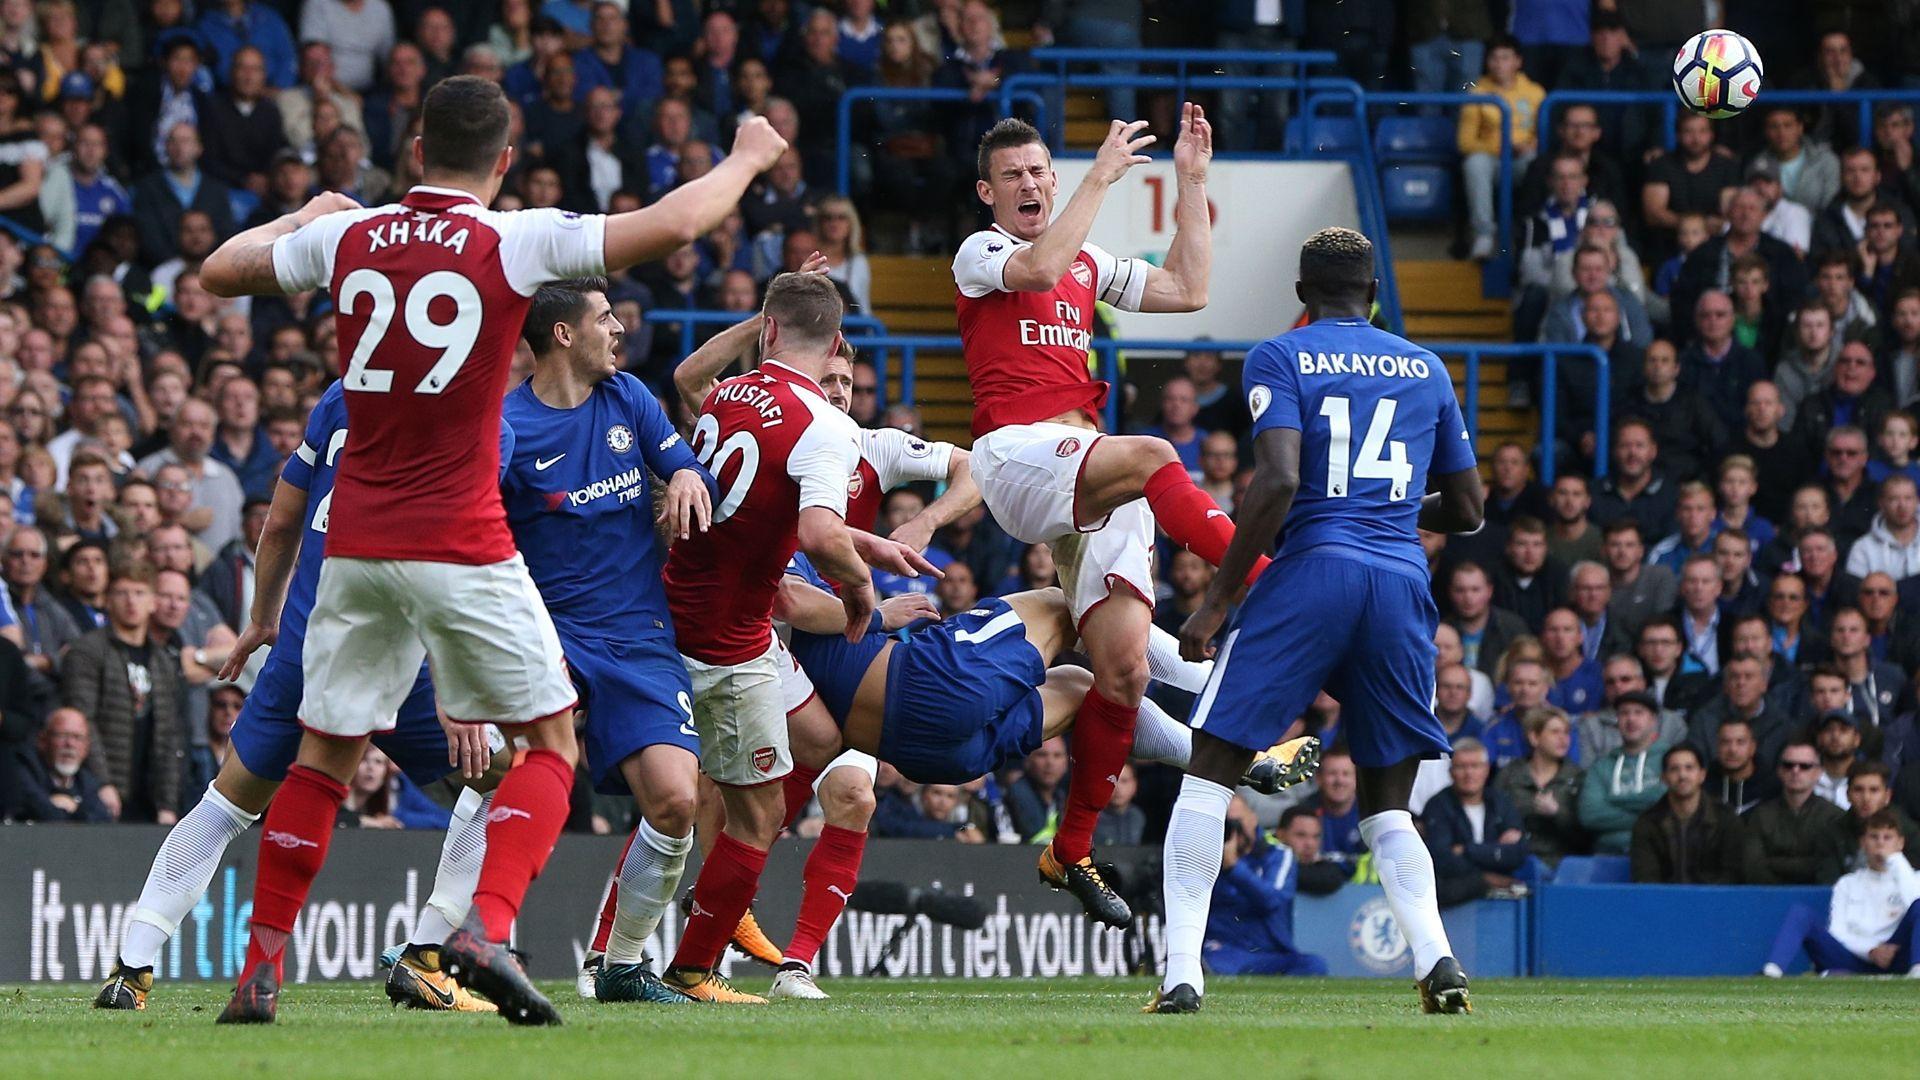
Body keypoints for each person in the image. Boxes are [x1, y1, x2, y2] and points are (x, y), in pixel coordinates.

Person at [195, 76, 790, 1025]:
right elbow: (677, 223)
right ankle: (483, 928)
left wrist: (300, 214)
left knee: (323, 758)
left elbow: (221, 271)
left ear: (416, 150)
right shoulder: (513, 240)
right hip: (463, 538)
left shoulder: (351, 238)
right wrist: (752, 156)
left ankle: (260, 968)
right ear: (504, 162)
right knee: (549, 744)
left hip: (354, 545)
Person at [92, 380, 507, 1016]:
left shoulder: (343, 396)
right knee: (503, 776)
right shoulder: (478, 419)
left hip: (306, 648)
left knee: (224, 808)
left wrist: (262, 618)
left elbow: (282, 521)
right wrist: (461, 682)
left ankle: (134, 967)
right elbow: (455, 560)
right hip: (406, 657)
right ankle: (426, 958)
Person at [1159, 226, 1485, 1015]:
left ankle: (1181, 976)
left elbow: (1275, 482)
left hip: (1314, 574)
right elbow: (1470, 509)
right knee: (1388, 805)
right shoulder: (1427, 366)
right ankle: (1437, 959)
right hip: (1401, 581)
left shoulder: (1281, 354)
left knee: (1208, 777)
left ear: (1303, 294)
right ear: (1375, 294)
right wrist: (1395, 507)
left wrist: (1216, 600)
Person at [952, 111, 1249, 931]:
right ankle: (1266, 577)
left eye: (1040, 171)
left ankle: (1070, 846)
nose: (1030, 185)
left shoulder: (1089, 259)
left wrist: (1191, 179)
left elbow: (1189, 289)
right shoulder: (982, 254)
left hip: (1086, 472)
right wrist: (1100, 176)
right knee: (1154, 452)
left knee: (1120, 673)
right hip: (1017, 456)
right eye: (1013, 176)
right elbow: (1042, 265)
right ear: (989, 193)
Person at [494, 279, 715, 1006]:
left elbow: (687, 462)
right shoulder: (509, 427)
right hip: (549, 633)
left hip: (638, 634)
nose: (619, 330)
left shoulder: (629, 400)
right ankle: (447, 940)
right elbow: (477, 540)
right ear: (563, 335)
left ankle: (619, 967)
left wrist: (683, 475)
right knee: (499, 767)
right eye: (604, 319)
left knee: (678, 802)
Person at [60, 561, 180, 826]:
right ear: (107, 600)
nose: (131, 601)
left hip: (149, 794)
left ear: (152, 602)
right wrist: (101, 782)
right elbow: (82, 719)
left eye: (139, 593)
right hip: (104, 791)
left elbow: (170, 735)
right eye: (122, 593)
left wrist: (168, 803)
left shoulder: (163, 661)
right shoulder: (87, 651)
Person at [1762, 811, 1920, 977]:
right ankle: (1771, 972)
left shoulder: (1913, 879)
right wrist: (1870, 951)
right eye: (1874, 837)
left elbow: (1914, 906)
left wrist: (1896, 860)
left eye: (1888, 838)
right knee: (1801, 914)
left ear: (1900, 843)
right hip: (1854, 958)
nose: (1880, 843)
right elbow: (1838, 931)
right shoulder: (1847, 883)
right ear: (1863, 842)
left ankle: (1918, 974)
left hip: (1897, 955)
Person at [1202, 801, 1334, 976]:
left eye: (1237, 821)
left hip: (1270, 954)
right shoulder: (1204, 857)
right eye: (1226, 822)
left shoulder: (1278, 855)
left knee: (1314, 965)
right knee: (1214, 963)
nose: (1233, 829)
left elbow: (1272, 900)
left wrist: (1234, 868)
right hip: (1223, 948)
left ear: (1253, 820)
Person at [1421, 739, 1529, 906]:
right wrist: (1487, 877)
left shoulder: (1501, 802)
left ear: (1486, 770)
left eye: (1475, 766)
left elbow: (1517, 853)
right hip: (1452, 898)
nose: (1469, 773)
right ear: (1450, 772)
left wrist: (1467, 850)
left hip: (1500, 904)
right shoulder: (1438, 805)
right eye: (1462, 767)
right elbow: (1441, 858)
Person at [1630, 744, 1744, 883]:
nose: (1682, 775)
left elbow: (1733, 874)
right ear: (1664, 777)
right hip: (1664, 902)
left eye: (1689, 768)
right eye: (1674, 769)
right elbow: (1646, 878)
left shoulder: (1726, 819)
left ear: (1702, 775)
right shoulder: (1648, 823)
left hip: (1714, 901)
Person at [1743, 738, 1850, 885]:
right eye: (1788, 765)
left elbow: (1827, 867)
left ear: (1818, 772)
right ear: (1779, 771)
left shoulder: (1834, 816)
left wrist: (1774, 862)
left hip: (1816, 900)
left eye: (1805, 766)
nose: (1795, 771)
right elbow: (1753, 867)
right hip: (1769, 898)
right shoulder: (1760, 815)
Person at [1576, 690, 1668, 854]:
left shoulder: (1670, 761)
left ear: (1653, 720)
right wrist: (1647, 814)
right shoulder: (1601, 766)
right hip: (1607, 855)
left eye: (1638, 713)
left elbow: (1669, 808)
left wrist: (1615, 801)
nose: (1631, 719)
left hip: (1660, 852)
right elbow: (1590, 815)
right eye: (1624, 713)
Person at [1494, 706, 1583, 866]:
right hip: (1515, 860)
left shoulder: (1577, 777)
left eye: (1566, 732)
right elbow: (1493, 815)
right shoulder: (1509, 775)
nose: (1563, 739)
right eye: (1555, 732)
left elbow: (1585, 831)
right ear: (1534, 737)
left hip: (1563, 863)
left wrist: (1557, 813)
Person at [4, 706, 112, 822]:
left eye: (78, 737)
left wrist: (74, 808)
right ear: (42, 740)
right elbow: (43, 813)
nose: (70, 744)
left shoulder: (86, 781)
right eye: (62, 735)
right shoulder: (23, 768)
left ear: (87, 747)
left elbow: (103, 822)